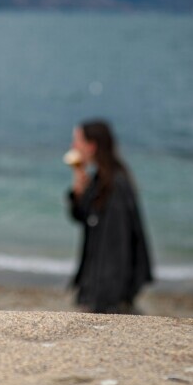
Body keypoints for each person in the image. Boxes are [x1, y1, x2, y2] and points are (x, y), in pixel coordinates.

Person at [66, 120, 153, 313]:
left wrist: (100, 299)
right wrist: (78, 191)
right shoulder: (100, 179)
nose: (73, 147)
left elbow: (117, 247)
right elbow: (81, 216)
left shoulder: (115, 186)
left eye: (77, 141)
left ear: (92, 146)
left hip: (110, 292)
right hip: (98, 284)